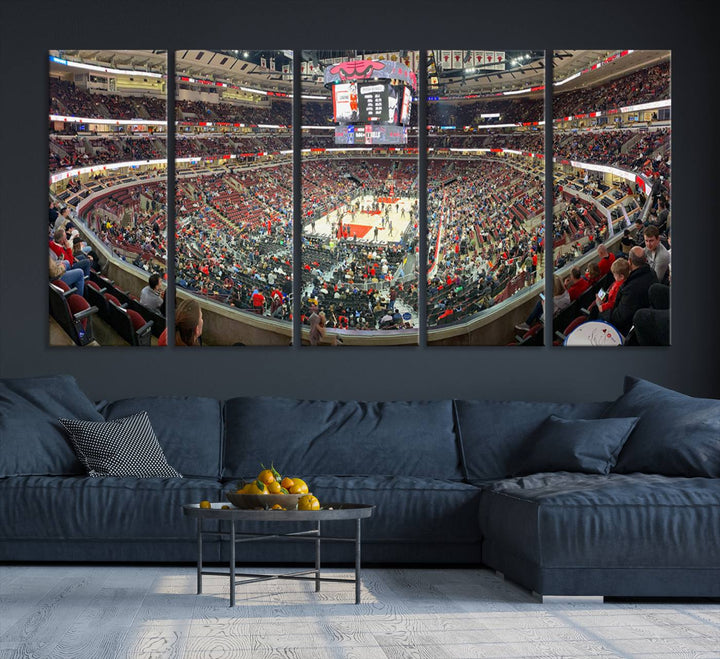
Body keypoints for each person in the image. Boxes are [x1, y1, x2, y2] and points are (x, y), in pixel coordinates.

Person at [599, 246, 657, 336]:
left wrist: (602, 311)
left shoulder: (630, 288)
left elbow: (619, 318)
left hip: (627, 329)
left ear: (629, 261)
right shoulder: (652, 272)